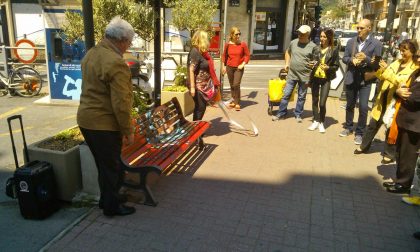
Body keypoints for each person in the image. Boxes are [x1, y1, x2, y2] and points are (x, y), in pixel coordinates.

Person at [77, 17, 135, 217]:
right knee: (111, 167)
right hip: (104, 124)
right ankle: (112, 207)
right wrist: (128, 130)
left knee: (104, 164)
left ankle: (106, 199)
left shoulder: (91, 54)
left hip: (86, 120)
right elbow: (121, 104)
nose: (128, 46)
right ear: (121, 40)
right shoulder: (116, 62)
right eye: (129, 42)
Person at [354, 40, 418, 163]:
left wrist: (387, 70)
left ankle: (389, 153)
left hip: (395, 101)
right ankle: (364, 146)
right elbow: (383, 76)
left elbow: (402, 82)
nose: (401, 53)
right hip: (383, 96)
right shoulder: (396, 62)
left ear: (412, 51)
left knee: (390, 127)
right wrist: (380, 68)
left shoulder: (414, 68)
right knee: (373, 123)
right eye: (401, 50)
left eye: (404, 50)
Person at [339, 19, 383, 145]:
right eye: (358, 28)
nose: (358, 30)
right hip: (351, 77)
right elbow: (345, 58)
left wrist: (366, 58)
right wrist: (351, 61)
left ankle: (359, 132)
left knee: (363, 107)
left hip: (366, 80)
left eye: (361, 28)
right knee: (350, 105)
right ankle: (348, 127)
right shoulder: (351, 42)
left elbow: (377, 64)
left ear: (369, 28)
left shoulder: (376, 44)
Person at [383, 50, 420, 194]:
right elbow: (403, 87)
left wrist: (402, 93)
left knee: (408, 155)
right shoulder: (416, 73)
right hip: (404, 119)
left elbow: (414, 97)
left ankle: (403, 184)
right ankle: (400, 180)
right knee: (400, 153)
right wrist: (399, 91)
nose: (418, 59)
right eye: (417, 56)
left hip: (414, 123)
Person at [272, 24, 317, 122]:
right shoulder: (293, 43)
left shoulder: (313, 47)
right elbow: (288, 52)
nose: (300, 35)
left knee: (301, 96)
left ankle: (298, 114)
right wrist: (287, 64)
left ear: (308, 34)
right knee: (286, 94)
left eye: (302, 33)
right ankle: (281, 113)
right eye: (299, 33)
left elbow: (316, 60)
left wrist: (314, 63)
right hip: (292, 74)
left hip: (305, 76)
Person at [187, 30, 220, 145]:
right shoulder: (195, 52)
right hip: (197, 86)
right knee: (200, 108)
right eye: (206, 38)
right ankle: (195, 133)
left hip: (203, 86)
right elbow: (191, 70)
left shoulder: (201, 52)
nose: (208, 41)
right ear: (201, 39)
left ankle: (196, 131)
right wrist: (192, 88)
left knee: (200, 108)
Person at [307, 28, 340, 133]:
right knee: (314, 100)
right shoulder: (316, 49)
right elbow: (312, 62)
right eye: (321, 36)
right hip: (315, 78)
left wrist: (328, 68)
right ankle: (316, 120)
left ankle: (321, 121)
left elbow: (336, 66)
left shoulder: (333, 50)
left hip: (326, 79)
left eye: (324, 37)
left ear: (329, 38)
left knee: (322, 103)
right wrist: (311, 64)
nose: (322, 38)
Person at [221, 27, 250, 111]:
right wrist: (224, 66)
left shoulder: (243, 44)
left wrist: (243, 64)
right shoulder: (227, 45)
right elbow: (224, 56)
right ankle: (234, 99)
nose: (238, 36)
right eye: (236, 34)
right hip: (230, 67)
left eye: (239, 34)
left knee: (236, 84)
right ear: (232, 35)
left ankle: (237, 102)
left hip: (239, 67)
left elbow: (247, 55)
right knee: (231, 84)